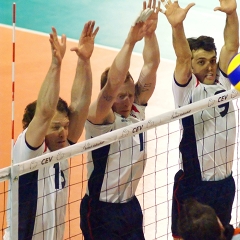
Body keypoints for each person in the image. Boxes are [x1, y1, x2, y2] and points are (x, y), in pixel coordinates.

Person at [4, 21, 99, 240]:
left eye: (65, 126)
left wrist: (84, 61)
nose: (64, 133)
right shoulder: (26, 152)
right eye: (56, 127)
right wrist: (56, 65)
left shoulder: (62, 149)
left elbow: (80, 106)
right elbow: (45, 111)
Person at [80, 1, 160, 239]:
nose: (126, 101)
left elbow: (151, 65)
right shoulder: (100, 119)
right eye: (120, 96)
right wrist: (129, 42)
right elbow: (113, 84)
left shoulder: (136, 111)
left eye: (129, 94)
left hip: (130, 206)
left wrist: (150, 35)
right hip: (101, 211)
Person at [160, 0, 239, 239]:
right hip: (195, 185)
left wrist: (232, 13)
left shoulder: (225, 83)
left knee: (220, 235)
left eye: (212, 60)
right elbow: (182, 59)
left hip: (224, 183)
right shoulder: (187, 90)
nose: (210, 67)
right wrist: (177, 27)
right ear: (192, 66)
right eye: (201, 62)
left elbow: (232, 46)